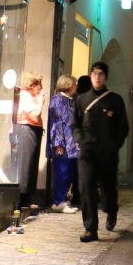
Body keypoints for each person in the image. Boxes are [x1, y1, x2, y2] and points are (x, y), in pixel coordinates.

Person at [73, 61, 129, 243]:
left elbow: (123, 127)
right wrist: (80, 140)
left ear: (105, 77)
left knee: (108, 188)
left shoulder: (115, 100)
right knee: (86, 187)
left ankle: (111, 210)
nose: (97, 77)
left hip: (107, 154)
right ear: (90, 76)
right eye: (94, 74)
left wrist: (114, 145)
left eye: (101, 74)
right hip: (87, 153)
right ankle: (90, 229)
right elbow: (75, 125)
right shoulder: (81, 100)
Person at [46, 74, 80, 214]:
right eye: (74, 84)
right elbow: (56, 123)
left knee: (69, 173)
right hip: (63, 146)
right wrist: (58, 144)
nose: (76, 86)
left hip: (71, 144)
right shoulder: (57, 100)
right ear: (68, 85)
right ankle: (58, 201)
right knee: (62, 173)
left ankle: (63, 200)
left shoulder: (69, 100)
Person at [15, 71, 45, 216]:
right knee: (26, 163)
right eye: (38, 84)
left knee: (32, 163)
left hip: (34, 129)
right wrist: (41, 101)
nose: (40, 87)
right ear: (32, 84)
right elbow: (35, 115)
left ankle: (28, 197)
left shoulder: (32, 96)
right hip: (27, 128)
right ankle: (22, 199)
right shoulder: (26, 95)